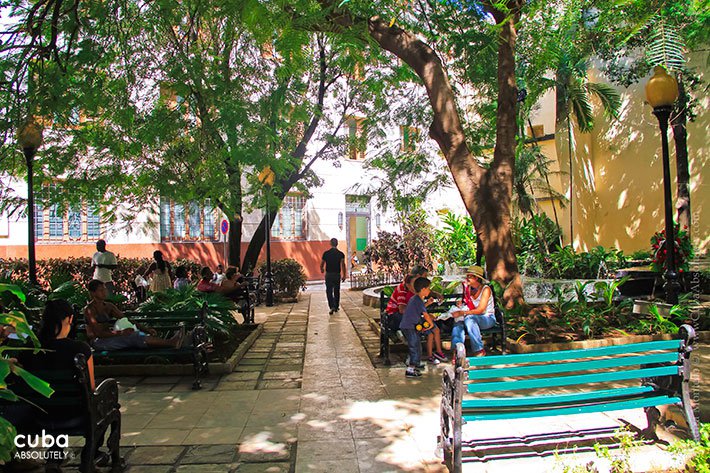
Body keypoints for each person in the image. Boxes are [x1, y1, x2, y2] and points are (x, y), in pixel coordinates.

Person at [84, 280, 183, 350]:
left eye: (104, 289)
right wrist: (121, 333)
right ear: (93, 293)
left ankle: (169, 343)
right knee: (132, 337)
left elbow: (126, 319)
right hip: (98, 342)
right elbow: (98, 333)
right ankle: (170, 343)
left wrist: (146, 329)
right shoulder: (89, 310)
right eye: (101, 290)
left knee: (136, 336)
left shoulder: (109, 306)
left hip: (111, 337)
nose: (104, 292)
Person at [400, 277, 448, 378]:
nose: (429, 290)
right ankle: (410, 369)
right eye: (428, 288)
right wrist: (431, 324)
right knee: (414, 347)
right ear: (423, 289)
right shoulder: (417, 299)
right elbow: (425, 315)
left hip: (411, 326)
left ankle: (416, 363)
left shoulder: (417, 299)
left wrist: (427, 303)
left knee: (417, 345)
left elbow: (419, 309)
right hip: (409, 327)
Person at [451, 265, 496, 357]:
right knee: (458, 322)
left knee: (469, 319)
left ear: (476, 278)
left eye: (470, 276)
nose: (467, 278)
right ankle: (457, 351)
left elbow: (481, 310)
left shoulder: (486, 289)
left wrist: (463, 313)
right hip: (472, 317)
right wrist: (460, 304)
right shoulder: (468, 289)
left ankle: (479, 349)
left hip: (487, 318)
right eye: (467, 276)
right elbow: (467, 304)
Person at [320, 238, 346, 315]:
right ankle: (336, 306)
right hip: (337, 275)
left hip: (329, 275)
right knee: (336, 291)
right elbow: (343, 265)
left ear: (330, 244)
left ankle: (331, 306)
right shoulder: (341, 254)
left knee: (329, 291)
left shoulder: (326, 253)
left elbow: (322, 264)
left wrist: (321, 269)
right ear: (337, 244)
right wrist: (344, 275)